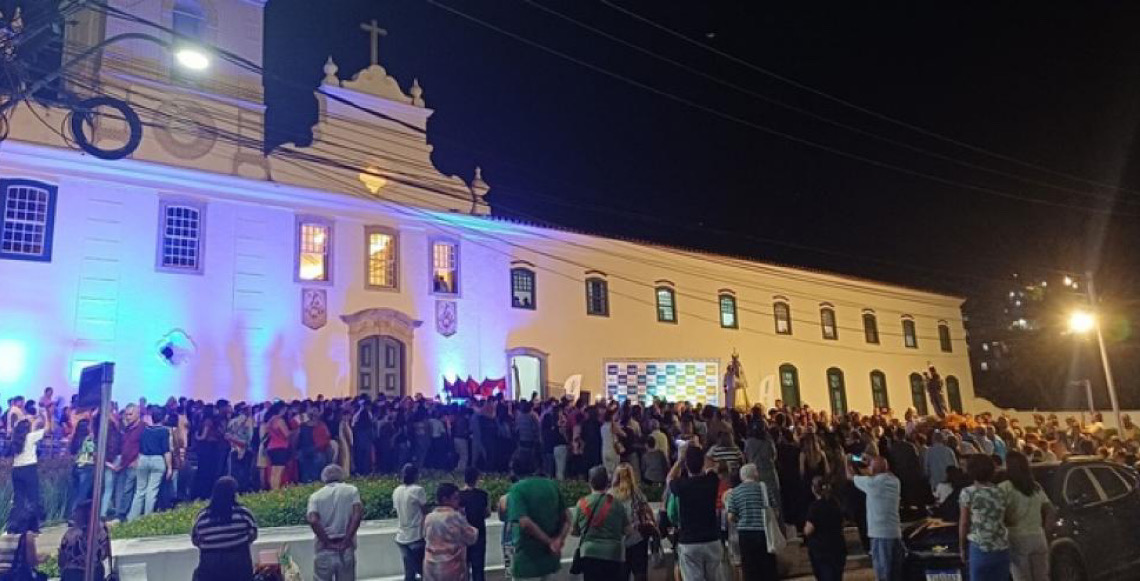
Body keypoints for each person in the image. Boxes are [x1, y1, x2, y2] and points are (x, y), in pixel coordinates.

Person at [505, 450, 571, 580]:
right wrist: (558, 540)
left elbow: (524, 523)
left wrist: (549, 542)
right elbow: (568, 518)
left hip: (527, 561)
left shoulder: (517, 489)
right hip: (550, 560)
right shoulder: (552, 485)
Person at [669, 444, 725, 581]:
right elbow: (712, 467)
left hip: (689, 541)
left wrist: (680, 459)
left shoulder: (682, 485)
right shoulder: (711, 481)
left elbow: (669, 479)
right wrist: (699, 453)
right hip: (711, 538)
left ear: (686, 465)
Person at [191, 476, 258, 581]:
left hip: (210, 567)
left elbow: (196, 540)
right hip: (239, 565)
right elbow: (253, 535)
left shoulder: (203, 517)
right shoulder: (243, 514)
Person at [571, 465, 631, 581]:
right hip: (613, 554)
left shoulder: (582, 503)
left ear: (590, 482)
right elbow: (627, 530)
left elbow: (575, 531)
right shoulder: (617, 504)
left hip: (589, 554)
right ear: (607, 483)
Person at [999, 451, 1052, 581]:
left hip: (1016, 537)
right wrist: (1045, 530)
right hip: (1038, 536)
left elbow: (999, 514)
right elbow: (1050, 509)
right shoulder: (1035, 487)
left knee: (1022, 577)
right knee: (1042, 577)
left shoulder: (1004, 488)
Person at [849, 455, 903, 581]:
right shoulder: (895, 481)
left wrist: (848, 461)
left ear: (873, 469)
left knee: (883, 574)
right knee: (896, 574)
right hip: (895, 532)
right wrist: (873, 463)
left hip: (880, 535)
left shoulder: (872, 483)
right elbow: (886, 471)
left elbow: (850, 476)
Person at [307, 464, 364, 581]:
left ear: (324, 478)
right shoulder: (352, 491)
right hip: (346, 548)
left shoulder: (315, 497)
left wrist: (327, 543)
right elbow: (357, 515)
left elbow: (313, 520)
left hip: (324, 549)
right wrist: (347, 540)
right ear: (341, 475)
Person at [958, 454, 1010, 581]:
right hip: (1001, 547)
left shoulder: (968, 493)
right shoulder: (1000, 491)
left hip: (979, 547)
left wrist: (962, 546)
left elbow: (964, 522)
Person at [726, 463, 778, 581]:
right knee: (768, 566)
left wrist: (740, 520)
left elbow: (730, 516)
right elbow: (775, 511)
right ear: (756, 474)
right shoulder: (764, 488)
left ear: (741, 476)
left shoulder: (735, 492)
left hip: (745, 534)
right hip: (764, 532)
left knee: (750, 568)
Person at [423, 482, 479, 581]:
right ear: (445, 499)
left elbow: (425, 536)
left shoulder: (429, 517)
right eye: (455, 498)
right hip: (451, 568)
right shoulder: (455, 516)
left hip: (431, 567)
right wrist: (464, 517)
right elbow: (471, 537)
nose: (458, 501)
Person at [128, 408, 171, 521]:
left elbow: (140, 446)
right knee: (152, 491)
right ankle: (147, 519)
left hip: (143, 459)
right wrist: (170, 467)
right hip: (157, 460)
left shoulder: (145, 430)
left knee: (139, 490)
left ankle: (132, 518)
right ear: (163, 417)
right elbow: (166, 450)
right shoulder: (164, 431)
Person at [610, 463, 650, 581]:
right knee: (640, 574)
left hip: (618, 542)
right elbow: (646, 511)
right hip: (637, 539)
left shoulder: (610, 495)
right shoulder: (636, 493)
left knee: (622, 575)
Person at [9, 414, 48, 529]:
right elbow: (48, 429)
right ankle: (33, 526)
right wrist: (48, 414)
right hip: (29, 469)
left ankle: (15, 525)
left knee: (19, 499)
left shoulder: (15, 438)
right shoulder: (30, 437)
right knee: (33, 498)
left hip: (16, 469)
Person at [804, 476, 846, 581]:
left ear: (814, 489)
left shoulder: (815, 507)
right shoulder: (836, 503)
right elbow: (843, 521)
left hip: (822, 550)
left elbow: (809, 529)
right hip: (837, 546)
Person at [57, 500, 111, 581]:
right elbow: (104, 554)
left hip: (71, 574)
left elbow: (61, 561)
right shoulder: (101, 532)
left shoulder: (69, 534)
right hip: (93, 572)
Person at [393, 463, 427, 581]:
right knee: (424, 571)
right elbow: (424, 512)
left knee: (409, 573)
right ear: (416, 476)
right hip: (416, 535)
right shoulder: (418, 490)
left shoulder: (397, 490)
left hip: (402, 536)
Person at [459, 467, 491, 581]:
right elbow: (487, 513)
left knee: (464, 567)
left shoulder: (459, 495)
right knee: (478, 568)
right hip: (479, 534)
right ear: (477, 478)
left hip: (463, 535)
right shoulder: (483, 495)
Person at [0, 507, 40, 577]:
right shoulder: (27, 536)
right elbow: (32, 561)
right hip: (16, 575)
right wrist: (44, 558)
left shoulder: (3, 536)